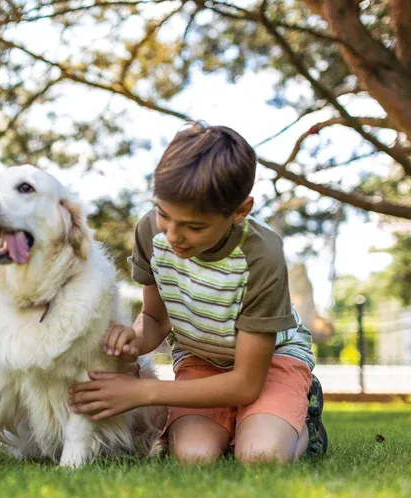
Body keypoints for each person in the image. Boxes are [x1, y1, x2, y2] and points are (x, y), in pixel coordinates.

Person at [69, 123, 327, 463]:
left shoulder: (261, 254)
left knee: (261, 455)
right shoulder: (150, 230)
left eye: (194, 226)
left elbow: (247, 382)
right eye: (165, 214)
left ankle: (298, 414)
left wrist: (142, 392)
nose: (174, 236)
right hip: (202, 359)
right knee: (194, 456)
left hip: (269, 364)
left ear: (240, 211)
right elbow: (155, 319)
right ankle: (245, 422)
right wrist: (131, 339)